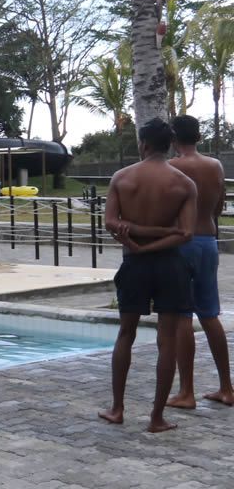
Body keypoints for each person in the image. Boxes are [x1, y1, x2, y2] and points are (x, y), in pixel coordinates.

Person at [98, 118, 196, 433]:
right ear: (168, 146)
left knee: (125, 334)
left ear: (143, 144)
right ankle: (156, 418)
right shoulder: (183, 184)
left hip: (134, 264)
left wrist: (135, 244)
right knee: (166, 341)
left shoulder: (122, 178)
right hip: (169, 264)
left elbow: (111, 222)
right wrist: (158, 234)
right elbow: (185, 234)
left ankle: (117, 408)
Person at [166, 115, 234, 408]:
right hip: (209, 240)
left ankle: (186, 392)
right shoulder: (215, 166)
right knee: (209, 314)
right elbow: (218, 206)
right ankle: (226, 388)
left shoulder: (172, 167)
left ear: (173, 138)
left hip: (183, 242)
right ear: (198, 136)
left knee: (182, 315)